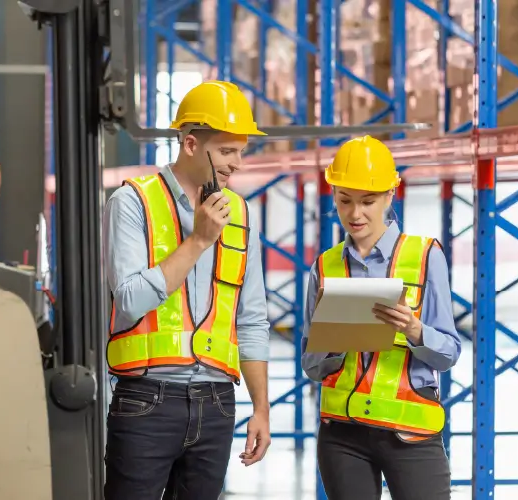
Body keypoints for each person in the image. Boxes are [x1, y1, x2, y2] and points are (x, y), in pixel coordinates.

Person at [102, 80, 272, 499]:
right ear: (191, 144)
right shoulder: (132, 203)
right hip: (146, 400)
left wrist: (261, 408)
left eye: (241, 152)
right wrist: (197, 241)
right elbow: (128, 300)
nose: (236, 165)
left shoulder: (240, 214)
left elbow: (250, 319)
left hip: (216, 402)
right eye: (227, 152)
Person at [301, 135, 460, 500]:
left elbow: (449, 353)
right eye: (344, 201)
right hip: (343, 433)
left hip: (411, 433)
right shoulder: (324, 267)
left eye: (368, 202)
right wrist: (335, 343)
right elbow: (311, 366)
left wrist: (416, 330)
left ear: (391, 195)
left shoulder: (424, 256)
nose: (355, 214)